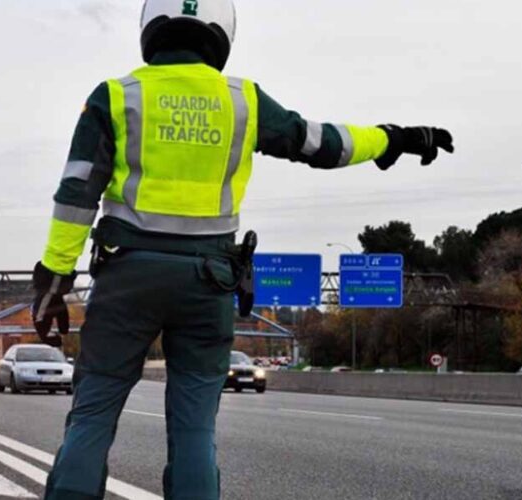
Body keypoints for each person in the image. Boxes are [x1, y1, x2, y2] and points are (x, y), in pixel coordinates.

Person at [32, 1, 454, 498]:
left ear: (151, 30)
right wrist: (391, 140)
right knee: (194, 429)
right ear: (219, 35)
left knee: (94, 411)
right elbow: (319, 141)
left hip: (127, 278)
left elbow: (77, 193)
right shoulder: (243, 101)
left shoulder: (116, 96)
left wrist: (54, 280)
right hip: (208, 283)